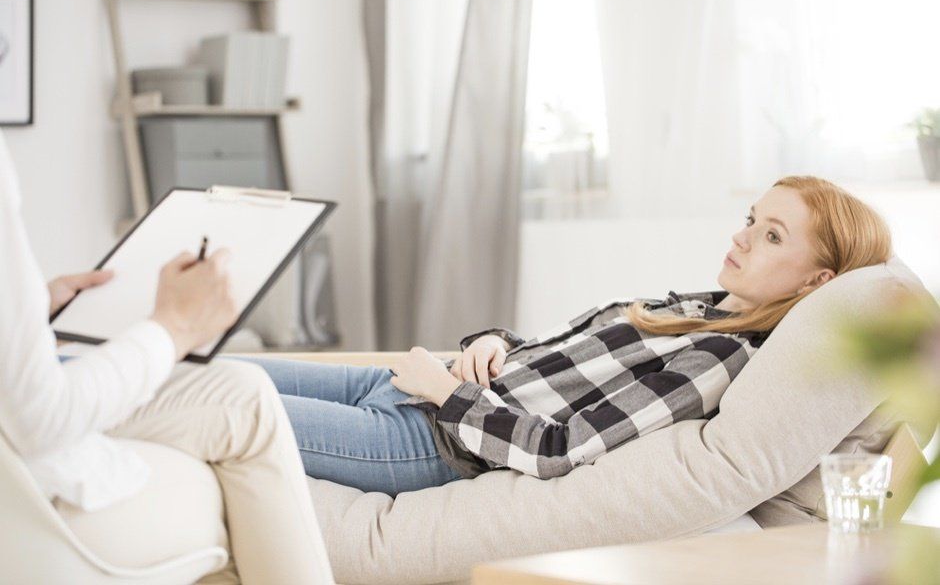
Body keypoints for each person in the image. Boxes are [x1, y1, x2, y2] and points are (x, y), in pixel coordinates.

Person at [243, 175, 892, 496]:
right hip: (420, 386)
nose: (740, 236)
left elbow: (560, 447)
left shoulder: (721, 356)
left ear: (815, 283)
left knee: (221, 406)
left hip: (425, 437)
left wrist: (444, 393)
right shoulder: (702, 308)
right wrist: (495, 342)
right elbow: (560, 365)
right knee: (214, 371)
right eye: (752, 218)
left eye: (772, 235)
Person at [0, 135, 334, 585]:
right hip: (25, 486)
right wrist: (172, 328)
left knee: (245, 386)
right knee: (245, 399)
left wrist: (29, 313)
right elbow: (40, 420)